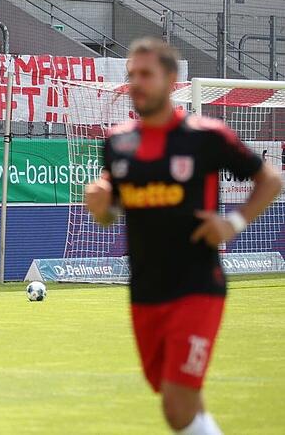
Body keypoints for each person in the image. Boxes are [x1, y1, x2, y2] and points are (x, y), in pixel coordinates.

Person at [84, 38, 282, 434]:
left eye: (146, 74)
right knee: (179, 399)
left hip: (196, 286)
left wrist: (233, 223)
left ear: (171, 79)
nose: (136, 83)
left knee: (177, 404)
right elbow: (111, 213)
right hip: (145, 290)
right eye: (132, 75)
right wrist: (102, 204)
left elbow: (271, 180)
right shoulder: (118, 143)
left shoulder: (206, 136)